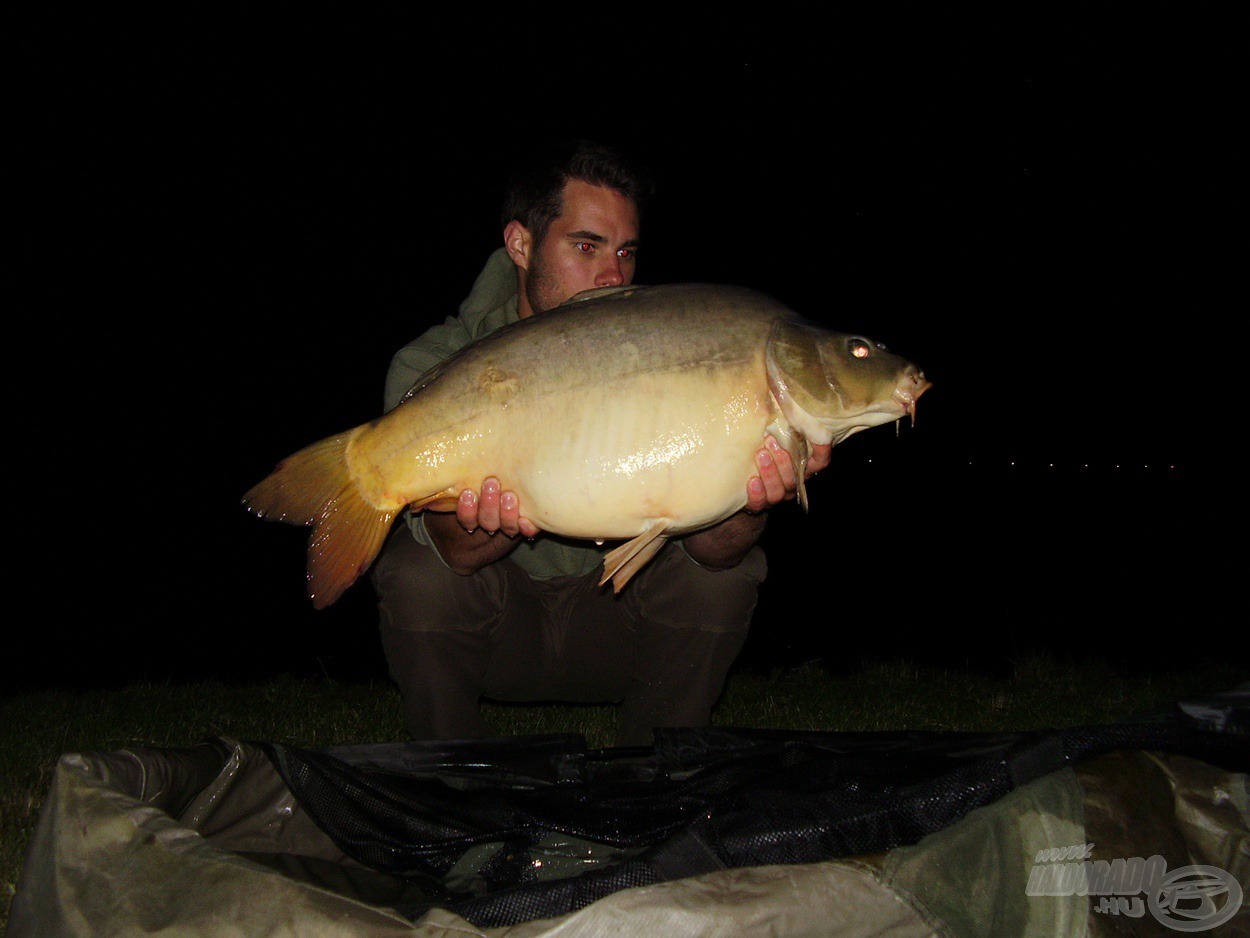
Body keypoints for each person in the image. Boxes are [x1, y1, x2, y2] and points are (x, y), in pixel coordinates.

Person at [370, 140, 830, 747]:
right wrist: (491, 521)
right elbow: (452, 554)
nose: (613, 275)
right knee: (414, 576)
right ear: (521, 244)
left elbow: (716, 552)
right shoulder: (432, 365)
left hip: (621, 624)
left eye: (625, 253)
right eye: (586, 247)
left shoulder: (673, 351)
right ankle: (459, 780)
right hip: (504, 627)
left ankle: (658, 774)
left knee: (727, 574)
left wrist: (750, 503)